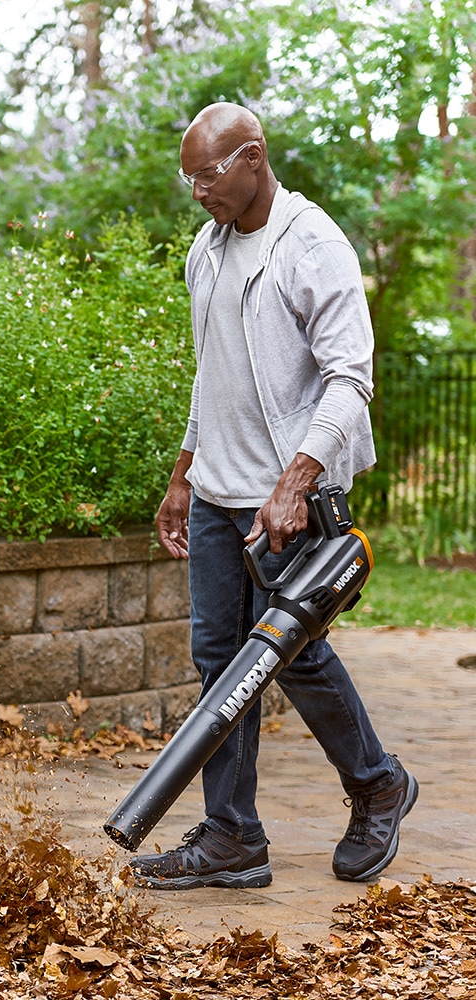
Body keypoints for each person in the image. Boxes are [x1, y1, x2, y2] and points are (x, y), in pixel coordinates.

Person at [129, 102, 417, 890]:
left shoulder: (312, 245)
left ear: (253, 157)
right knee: (220, 662)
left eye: (209, 174)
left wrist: (297, 481)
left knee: (293, 658)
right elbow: (211, 373)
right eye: (188, 178)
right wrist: (183, 474)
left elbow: (351, 377)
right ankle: (232, 836)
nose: (197, 192)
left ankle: (377, 784)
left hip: (289, 500)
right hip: (220, 493)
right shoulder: (208, 248)